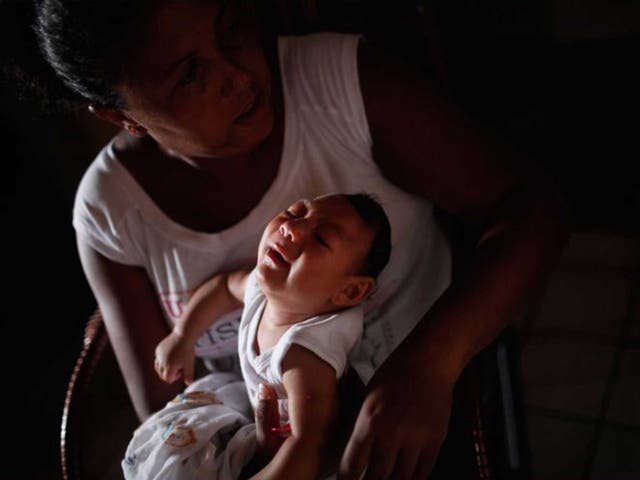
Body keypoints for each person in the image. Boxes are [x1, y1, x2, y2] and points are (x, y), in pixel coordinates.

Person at [34, 0, 570, 478]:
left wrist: (429, 365)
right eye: (191, 74)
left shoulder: (341, 88)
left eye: (232, 27)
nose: (239, 75)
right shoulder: (111, 211)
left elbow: (532, 209)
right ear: (121, 115)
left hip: (424, 426)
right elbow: (163, 401)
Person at [154, 193, 391, 478]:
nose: (291, 228)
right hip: (259, 416)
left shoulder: (304, 354)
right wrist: (182, 335)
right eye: (293, 213)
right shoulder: (261, 287)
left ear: (349, 291)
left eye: (321, 239)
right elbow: (224, 288)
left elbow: (308, 446)